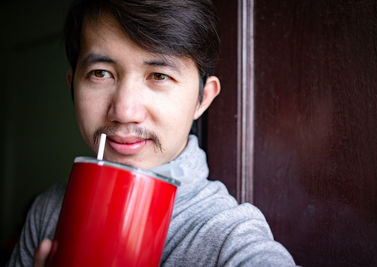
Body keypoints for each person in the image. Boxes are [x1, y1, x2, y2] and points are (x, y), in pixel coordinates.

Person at [7, 0, 297, 266]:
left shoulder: (227, 236)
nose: (124, 111)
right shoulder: (48, 211)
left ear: (202, 99)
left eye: (159, 76)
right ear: (72, 85)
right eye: (100, 73)